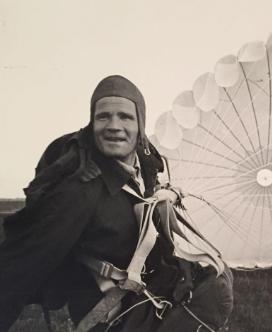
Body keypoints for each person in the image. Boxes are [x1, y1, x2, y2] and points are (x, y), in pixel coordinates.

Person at [0, 75, 233, 332]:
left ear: (140, 124)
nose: (113, 125)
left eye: (125, 116)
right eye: (103, 116)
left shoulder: (142, 164)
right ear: (92, 123)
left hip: (152, 301)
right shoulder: (79, 191)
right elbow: (18, 267)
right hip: (112, 317)